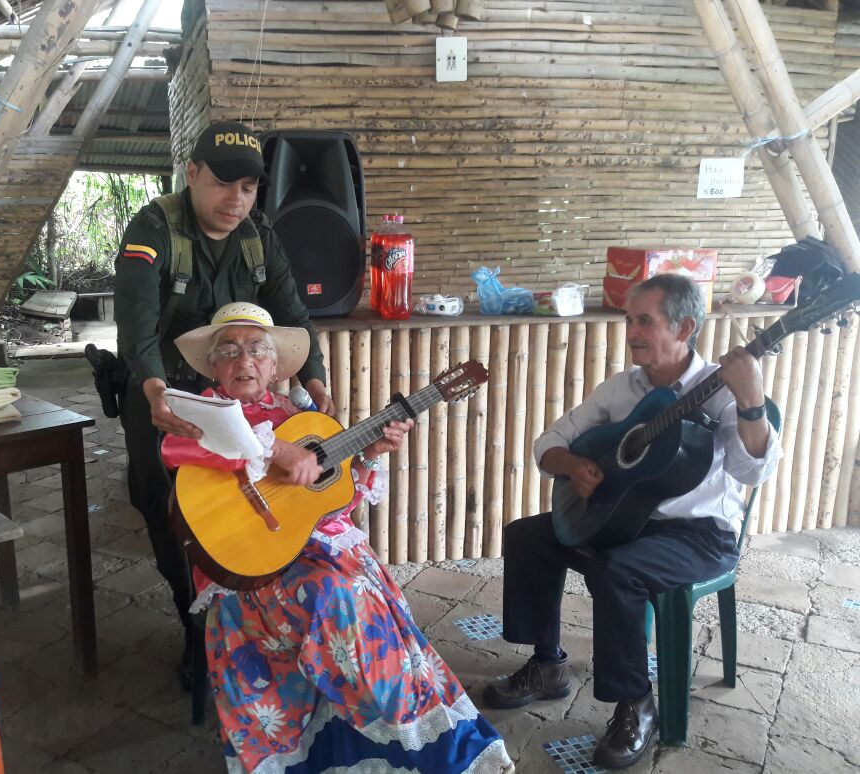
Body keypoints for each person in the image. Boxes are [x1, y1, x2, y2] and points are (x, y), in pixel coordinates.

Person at [163, 302, 515, 774]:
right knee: (336, 597)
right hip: (245, 564)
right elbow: (176, 447)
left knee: (357, 590)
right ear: (212, 365)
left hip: (318, 545)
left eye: (256, 350)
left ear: (274, 365)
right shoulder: (200, 409)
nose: (243, 361)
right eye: (229, 350)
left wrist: (368, 453)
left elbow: (331, 502)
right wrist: (279, 451)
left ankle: (401, 737)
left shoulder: (298, 414)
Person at [482, 274, 782, 769]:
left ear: (685, 326)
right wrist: (573, 466)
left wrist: (751, 400)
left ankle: (636, 704)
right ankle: (548, 664)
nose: (632, 331)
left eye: (645, 320)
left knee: (617, 570)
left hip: (699, 536)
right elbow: (549, 441)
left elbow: (755, 470)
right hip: (626, 520)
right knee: (528, 534)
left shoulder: (723, 393)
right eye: (629, 319)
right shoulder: (624, 388)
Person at [113, 120, 333, 634]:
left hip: (233, 396)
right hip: (165, 395)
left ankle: (247, 622)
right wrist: (153, 391)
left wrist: (315, 380)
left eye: (249, 187)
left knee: (245, 504)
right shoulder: (153, 230)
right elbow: (137, 327)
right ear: (191, 173)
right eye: (222, 182)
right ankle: (194, 626)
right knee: (170, 512)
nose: (236, 199)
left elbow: (294, 313)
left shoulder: (259, 238)